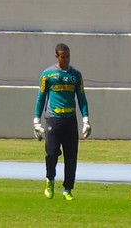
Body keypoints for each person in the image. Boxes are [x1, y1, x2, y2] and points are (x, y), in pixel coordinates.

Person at [33, 43, 91, 200]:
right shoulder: (48, 74)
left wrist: (86, 119)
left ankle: (67, 189)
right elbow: (41, 97)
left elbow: (81, 98)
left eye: (68, 56)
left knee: (71, 156)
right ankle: (49, 180)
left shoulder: (76, 75)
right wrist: (36, 121)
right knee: (52, 153)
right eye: (63, 57)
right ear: (57, 57)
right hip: (53, 119)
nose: (66, 59)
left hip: (70, 120)